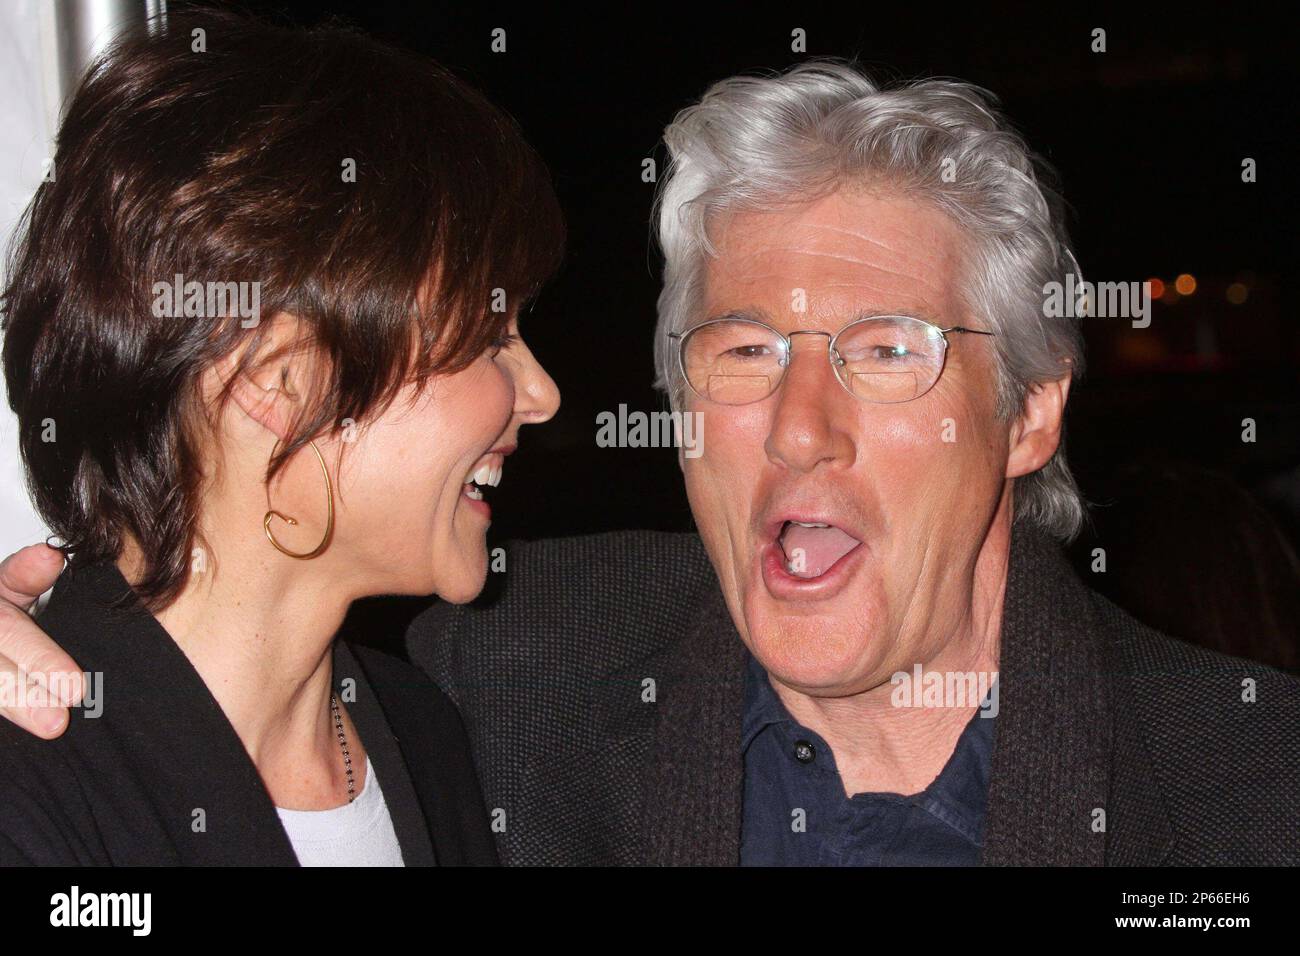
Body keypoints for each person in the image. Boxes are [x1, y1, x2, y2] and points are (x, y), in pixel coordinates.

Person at [4, 60, 1297, 866]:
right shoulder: (492, 688)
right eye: (741, 352)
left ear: (1027, 415)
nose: (801, 426)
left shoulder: (1254, 786)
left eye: (886, 350)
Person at [0, 10, 560, 865]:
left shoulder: (425, 733)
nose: (543, 395)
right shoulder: (35, 784)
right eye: (490, 336)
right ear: (281, 379)